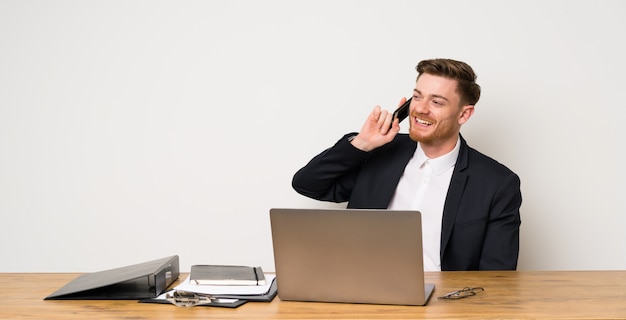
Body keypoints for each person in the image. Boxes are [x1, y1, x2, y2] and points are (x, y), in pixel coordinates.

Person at [292, 58, 522, 271]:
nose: (421, 108)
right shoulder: (380, 153)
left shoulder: (497, 184)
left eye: (437, 102)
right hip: (361, 295)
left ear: (464, 114)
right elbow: (308, 185)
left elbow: (497, 276)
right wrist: (361, 143)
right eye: (418, 96)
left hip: (443, 305)